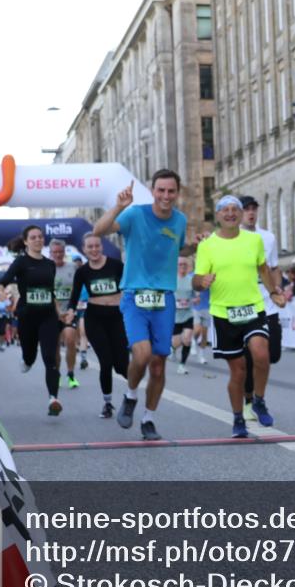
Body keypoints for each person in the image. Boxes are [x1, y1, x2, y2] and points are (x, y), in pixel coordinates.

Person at [93, 170, 188, 441]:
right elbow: (98, 231)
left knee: (158, 365)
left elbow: (178, 248)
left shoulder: (180, 220)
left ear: (177, 193)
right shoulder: (135, 214)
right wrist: (118, 207)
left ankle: (148, 419)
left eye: (171, 191)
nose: (166, 196)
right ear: (152, 190)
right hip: (134, 296)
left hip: (164, 298)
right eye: (161, 190)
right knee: (142, 354)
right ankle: (131, 395)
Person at [193, 196, 286, 438]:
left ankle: (259, 401)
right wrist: (202, 281)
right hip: (223, 313)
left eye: (235, 209)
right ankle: (237, 418)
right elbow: (196, 280)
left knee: (262, 354)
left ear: (241, 214)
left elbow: (263, 268)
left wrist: (274, 292)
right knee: (239, 370)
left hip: (253, 308)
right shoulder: (207, 246)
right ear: (218, 215)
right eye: (225, 210)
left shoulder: (254, 240)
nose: (231, 213)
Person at [0, 225, 62, 415]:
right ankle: (27, 359)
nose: (38, 240)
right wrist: (1, 292)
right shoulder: (21, 262)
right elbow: (3, 281)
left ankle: (53, 399)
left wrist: (59, 312)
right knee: (30, 355)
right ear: (26, 241)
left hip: (48, 316)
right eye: (33, 237)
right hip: (27, 316)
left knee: (50, 357)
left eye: (40, 237)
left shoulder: (50, 264)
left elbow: (51, 293)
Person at [66, 233, 129, 419]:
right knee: (106, 362)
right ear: (84, 250)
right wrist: (70, 310)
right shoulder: (82, 272)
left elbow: (129, 287)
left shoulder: (116, 265)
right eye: (90, 247)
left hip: (117, 317)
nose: (94, 250)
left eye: (96, 246)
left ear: (101, 246)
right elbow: (74, 295)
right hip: (95, 318)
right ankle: (107, 403)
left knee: (122, 366)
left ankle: (131, 395)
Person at [239, 196, 283, 422]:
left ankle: (256, 398)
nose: (251, 213)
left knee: (272, 354)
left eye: (253, 209)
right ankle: (250, 401)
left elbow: (274, 268)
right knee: (249, 357)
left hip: (268, 302)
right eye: (246, 209)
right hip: (244, 304)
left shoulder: (268, 237)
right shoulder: (231, 238)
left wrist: (278, 289)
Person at [50, 239, 80, 390]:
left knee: (70, 340)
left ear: (64, 252)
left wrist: (73, 308)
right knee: (55, 346)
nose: (58, 255)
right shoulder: (47, 268)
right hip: (53, 313)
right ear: (50, 253)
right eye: (55, 252)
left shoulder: (73, 267)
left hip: (69, 312)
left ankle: (71, 373)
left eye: (60, 252)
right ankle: (57, 374)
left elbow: (79, 288)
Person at [172, 254, 197, 375]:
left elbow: (196, 297)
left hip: (188, 315)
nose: (183, 266)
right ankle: (172, 349)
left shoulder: (191, 280)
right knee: (176, 342)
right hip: (174, 316)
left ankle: (182, 365)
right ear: (176, 266)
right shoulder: (171, 280)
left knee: (187, 339)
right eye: (180, 264)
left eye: (185, 264)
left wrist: (194, 300)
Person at [74, 254, 90, 370]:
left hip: (85, 306)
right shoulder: (70, 275)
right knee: (75, 334)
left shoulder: (87, 274)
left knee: (83, 332)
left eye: (78, 261)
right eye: (75, 262)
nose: (77, 263)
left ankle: (83, 358)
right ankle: (76, 348)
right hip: (73, 307)